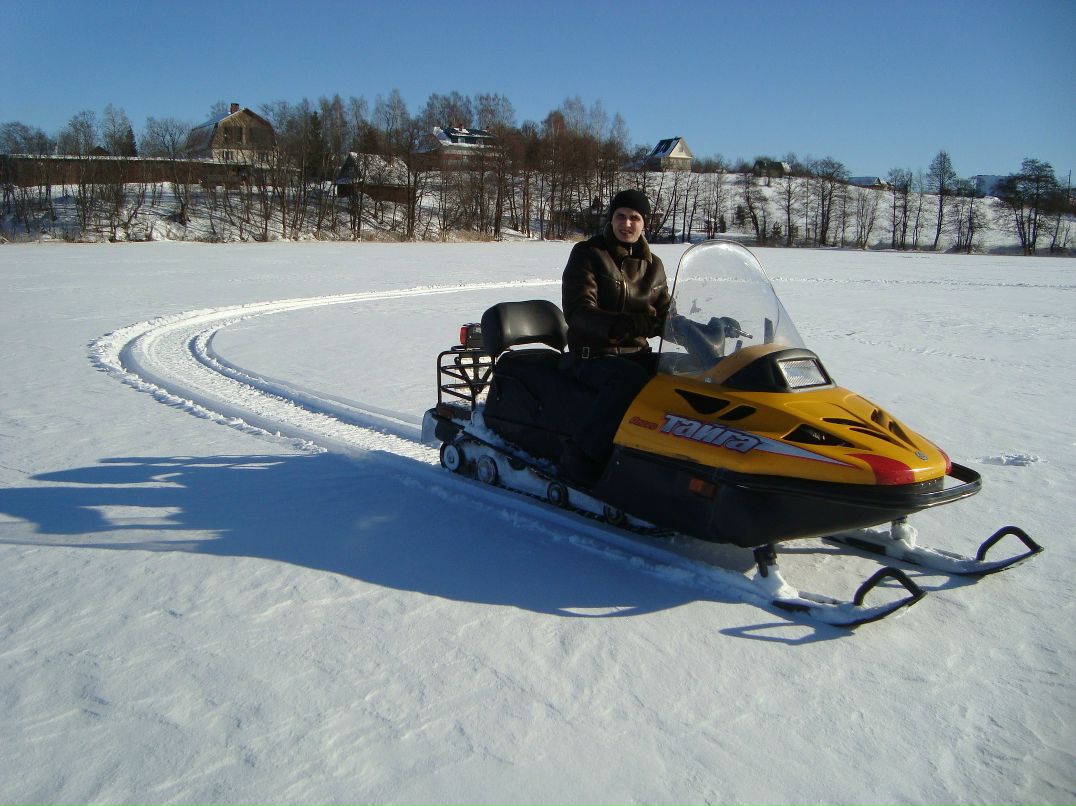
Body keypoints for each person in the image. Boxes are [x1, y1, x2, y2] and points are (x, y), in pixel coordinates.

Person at [559, 189, 671, 483]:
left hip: (637, 356)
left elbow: (666, 311)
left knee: (683, 373)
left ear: (645, 223)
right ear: (611, 219)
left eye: (635, 218)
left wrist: (704, 326)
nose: (627, 224)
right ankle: (581, 456)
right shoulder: (589, 254)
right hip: (592, 356)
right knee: (628, 381)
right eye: (620, 216)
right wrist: (626, 325)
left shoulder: (654, 265)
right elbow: (578, 311)